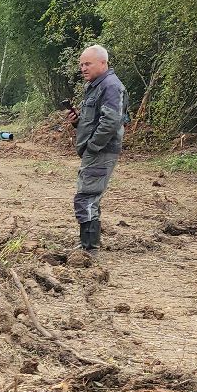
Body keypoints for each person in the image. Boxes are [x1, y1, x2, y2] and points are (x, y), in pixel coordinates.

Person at [72, 44, 127, 258]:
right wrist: (78, 122)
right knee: (89, 197)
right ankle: (88, 245)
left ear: (103, 63)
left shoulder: (110, 86)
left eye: (88, 63)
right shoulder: (95, 86)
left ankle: (89, 249)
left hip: (100, 151)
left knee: (86, 197)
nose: (83, 68)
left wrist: (92, 146)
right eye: (81, 64)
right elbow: (96, 120)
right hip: (95, 150)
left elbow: (112, 120)